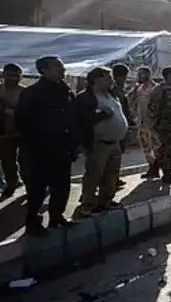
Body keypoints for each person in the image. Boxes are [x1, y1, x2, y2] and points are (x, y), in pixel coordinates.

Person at [15, 56, 78, 235]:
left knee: (62, 186)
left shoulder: (65, 91)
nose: (62, 69)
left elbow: (73, 119)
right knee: (38, 190)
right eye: (57, 66)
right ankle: (33, 224)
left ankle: (57, 217)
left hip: (63, 149)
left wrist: (74, 142)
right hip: (40, 150)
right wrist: (39, 139)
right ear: (44, 70)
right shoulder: (32, 93)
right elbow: (22, 122)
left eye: (62, 66)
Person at [73, 67, 128, 217]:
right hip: (98, 143)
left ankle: (106, 201)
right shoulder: (86, 98)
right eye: (107, 78)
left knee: (111, 174)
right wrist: (102, 115)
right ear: (96, 80)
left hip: (114, 142)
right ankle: (88, 204)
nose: (111, 80)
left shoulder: (111, 95)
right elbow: (82, 121)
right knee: (94, 174)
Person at [148, 67, 171, 184]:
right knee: (168, 150)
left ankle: (155, 169)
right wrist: (154, 122)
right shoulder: (160, 90)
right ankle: (166, 174)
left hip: (169, 124)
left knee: (165, 149)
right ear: (168, 76)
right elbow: (152, 108)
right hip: (162, 124)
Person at [0, 63, 25, 199]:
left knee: (25, 160)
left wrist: (10, 111)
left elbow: (29, 112)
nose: (13, 79)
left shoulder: (24, 92)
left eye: (17, 75)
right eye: (10, 75)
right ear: (4, 75)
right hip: (5, 133)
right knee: (7, 160)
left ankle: (28, 183)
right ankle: (12, 183)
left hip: (23, 131)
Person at [129, 66, 159, 179]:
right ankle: (151, 166)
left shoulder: (155, 88)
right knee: (145, 147)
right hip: (141, 122)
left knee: (155, 146)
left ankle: (156, 167)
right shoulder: (139, 88)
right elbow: (131, 102)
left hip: (152, 123)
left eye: (141, 74)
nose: (139, 76)